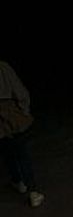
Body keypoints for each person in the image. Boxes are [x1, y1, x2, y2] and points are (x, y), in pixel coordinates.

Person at [0, 59, 42, 207]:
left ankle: (18, 181)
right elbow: (20, 91)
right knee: (22, 152)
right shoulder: (2, 66)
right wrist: (24, 110)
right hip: (11, 113)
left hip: (6, 116)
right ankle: (32, 190)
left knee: (7, 151)